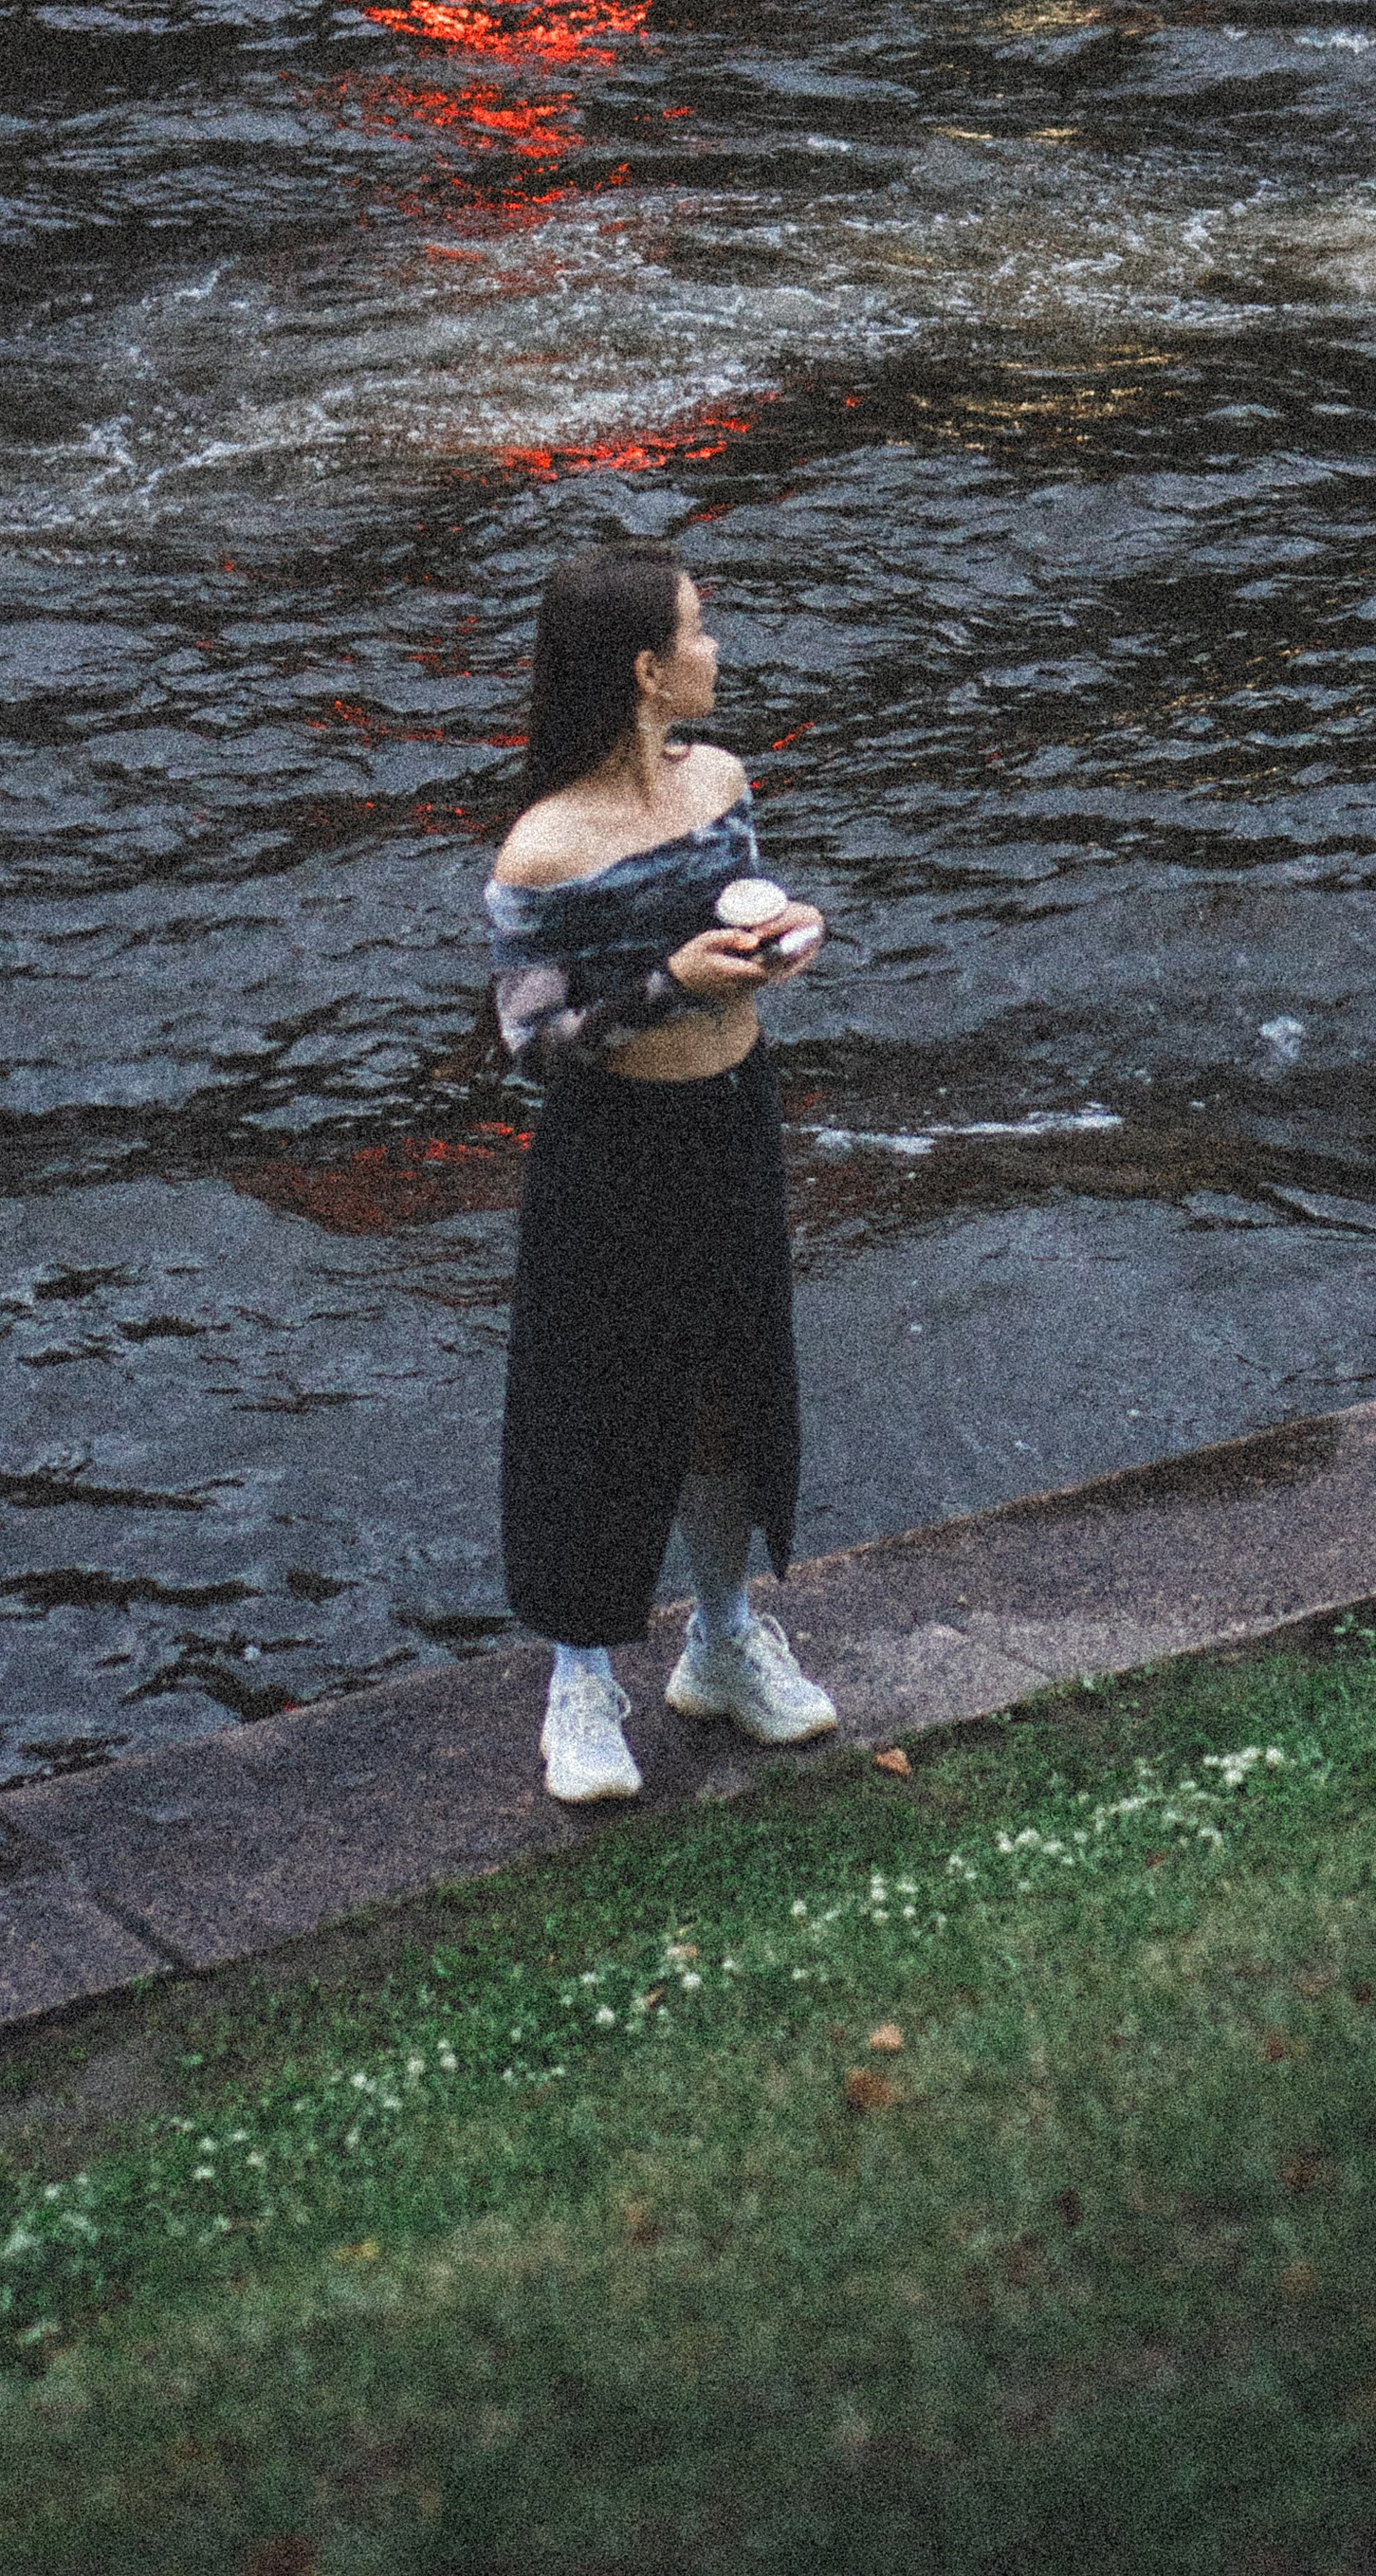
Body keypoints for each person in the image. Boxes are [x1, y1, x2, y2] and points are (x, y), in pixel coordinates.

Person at [485, 544, 838, 1807]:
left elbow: (731, 923)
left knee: (731, 1388)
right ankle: (580, 1680)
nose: (714, 647)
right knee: (598, 1406)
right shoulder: (544, 848)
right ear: (645, 670)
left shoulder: (722, 780)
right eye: (697, 629)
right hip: (615, 1150)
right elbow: (532, 1043)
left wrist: (781, 943)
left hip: (731, 1115)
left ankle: (722, 1641)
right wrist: (668, 988)